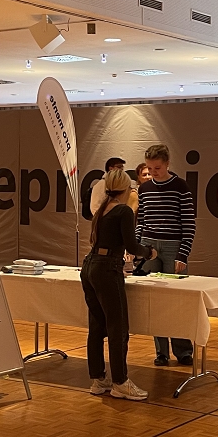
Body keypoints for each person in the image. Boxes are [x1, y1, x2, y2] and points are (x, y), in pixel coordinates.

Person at [82, 167, 157, 400]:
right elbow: (132, 246)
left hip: (90, 266)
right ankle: (120, 382)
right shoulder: (123, 211)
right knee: (118, 328)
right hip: (107, 269)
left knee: (97, 326)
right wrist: (150, 252)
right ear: (126, 189)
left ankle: (98, 379)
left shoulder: (101, 209)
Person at [135, 144, 196, 366]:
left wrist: (183, 254)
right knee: (155, 301)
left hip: (173, 246)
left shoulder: (181, 186)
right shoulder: (144, 189)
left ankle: (183, 350)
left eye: (157, 168)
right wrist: (137, 247)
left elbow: (188, 223)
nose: (153, 172)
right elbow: (141, 221)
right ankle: (161, 352)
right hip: (149, 245)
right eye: (149, 169)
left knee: (177, 300)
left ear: (168, 163)